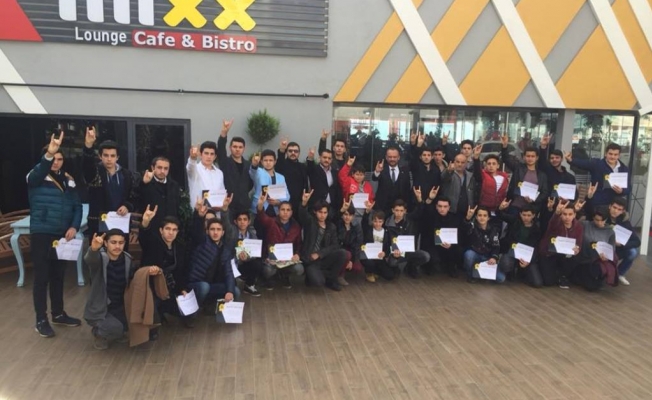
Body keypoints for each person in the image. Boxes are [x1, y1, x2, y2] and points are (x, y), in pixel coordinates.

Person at [28, 131, 83, 338]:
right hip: (42, 232)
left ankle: (58, 313)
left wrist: (74, 227)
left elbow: (77, 206)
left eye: (59, 159)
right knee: (41, 278)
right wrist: (49, 154)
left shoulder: (69, 180)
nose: (56, 162)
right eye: (52, 158)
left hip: (62, 235)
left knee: (58, 276)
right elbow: (39, 171)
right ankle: (41, 319)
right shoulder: (35, 176)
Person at [84, 230, 146, 350]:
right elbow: (90, 260)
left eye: (121, 243)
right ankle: (98, 333)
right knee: (116, 328)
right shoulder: (100, 258)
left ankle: (118, 329)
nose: (117, 246)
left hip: (120, 305)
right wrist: (94, 249)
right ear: (106, 243)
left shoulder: (127, 259)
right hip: (101, 307)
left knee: (134, 322)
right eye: (113, 242)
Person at [138, 204, 193, 328]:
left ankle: (166, 312)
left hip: (172, 287)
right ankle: (155, 321)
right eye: (168, 229)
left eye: (174, 230)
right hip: (153, 287)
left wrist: (182, 288)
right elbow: (144, 237)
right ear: (161, 230)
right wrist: (145, 222)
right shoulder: (153, 243)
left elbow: (181, 271)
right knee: (154, 309)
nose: (171, 232)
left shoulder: (179, 247)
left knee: (189, 312)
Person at [82, 127, 137, 240]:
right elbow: (87, 166)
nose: (109, 159)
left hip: (120, 223)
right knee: (98, 251)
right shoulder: (95, 172)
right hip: (98, 225)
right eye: (106, 155)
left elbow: (134, 195)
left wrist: (127, 206)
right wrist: (88, 146)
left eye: (112, 156)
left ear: (117, 157)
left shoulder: (126, 174)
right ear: (100, 156)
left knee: (120, 250)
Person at [298, 191, 348, 291]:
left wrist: (320, 254)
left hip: (323, 258)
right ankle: (311, 275)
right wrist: (304, 203)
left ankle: (331, 279)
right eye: (320, 212)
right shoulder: (310, 223)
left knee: (342, 253)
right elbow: (303, 214)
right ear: (315, 212)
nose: (322, 215)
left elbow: (335, 245)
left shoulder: (331, 226)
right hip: (310, 260)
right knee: (319, 282)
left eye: (325, 213)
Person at [186, 218, 239, 310]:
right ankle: (193, 311)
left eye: (218, 229)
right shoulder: (201, 242)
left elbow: (229, 273)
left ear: (223, 232)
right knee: (204, 287)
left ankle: (218, 310)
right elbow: (196, 230)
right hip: (195, 285)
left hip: (212, 285)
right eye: (212, 229)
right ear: (207, 231)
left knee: (235, 291)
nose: (215, 232)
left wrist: (230, 291)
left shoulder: (225, 250)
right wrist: (199, 216)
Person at [565, 143, 630, 218]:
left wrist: (622, 191)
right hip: (598, 204)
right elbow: (583, 164)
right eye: (610, 154)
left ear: (619, 155)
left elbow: (628, 188)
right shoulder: (597, 164)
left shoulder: (624, 169)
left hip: (614, 206)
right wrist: (570, 160)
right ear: (606, 154)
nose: (612, 156)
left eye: (615, 154)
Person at [255, 193, 304, 289]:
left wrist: (297, 254)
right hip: (271, 259)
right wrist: (260, 205)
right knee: (268, 271)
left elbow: (299, 244)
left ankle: (284, 275)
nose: (285, 212)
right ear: (278, 211)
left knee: (299, 269)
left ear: (291, 212)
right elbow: (261, 216)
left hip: (288, 260)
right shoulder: (271, 222)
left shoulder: (296, 226)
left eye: (288, 210)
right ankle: (269, 278)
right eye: (283, 209)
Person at [221, 201, 264, 297]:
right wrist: (224, 209)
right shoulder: (231, 231)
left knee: (258, 264)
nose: (242, 222)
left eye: (245, 219)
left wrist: (247, 257)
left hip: (246, 262)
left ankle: (249, 285)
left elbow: (256, 252)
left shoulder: (252, 233)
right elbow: (225, 221)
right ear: (235, 222)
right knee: (234, 290)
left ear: (249, 221)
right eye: (239, 219)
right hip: (232, 263)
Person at [537, 200, 583, 289]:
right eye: (564, 214)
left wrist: (577, 248)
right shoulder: (556, 223)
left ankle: (563, 276)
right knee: (548, 282)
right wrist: (557, 213)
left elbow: (579, 243)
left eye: (570, 214)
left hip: (564, 255)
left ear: (574, 215)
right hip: (549, 253)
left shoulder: (578, 226)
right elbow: (552, 223)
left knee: (575, 257)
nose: (567, 217)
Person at [384, 194, 431, 279]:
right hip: (395, 252)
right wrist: (392, 252)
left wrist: (419, 200)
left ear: (405, 211)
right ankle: (395, 268)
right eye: (397, 210)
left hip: (409, 251)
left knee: (425, 256)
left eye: (401, 211)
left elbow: (419, 211)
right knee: (392, 263)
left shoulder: (410, 219)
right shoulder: (387, 224)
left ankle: (411, 266)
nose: (399, 213)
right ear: (393, 210)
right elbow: (386, 242)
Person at [496, 202, 542, 287]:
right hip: (512, 252)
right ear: (520, 214)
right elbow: (500, 215)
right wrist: (500, 208)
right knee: (506, 264)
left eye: (529, 215)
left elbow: (536, 247)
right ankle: (510, 271)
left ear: (533, 215)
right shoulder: (515, 220)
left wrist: (529, 261)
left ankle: (523, 272)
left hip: (527, 256)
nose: (526, 218)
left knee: (537, 283)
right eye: (524, 215)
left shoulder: (537, 228)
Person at [572, 206, 618, 291]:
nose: (599, 223)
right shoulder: (585, 225)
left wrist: (606, 257)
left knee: (592, 286)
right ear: (593, 218)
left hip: (596, 261)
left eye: (602, 220)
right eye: (597, 220)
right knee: (585, 283)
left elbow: (612, 250)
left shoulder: (610, 232)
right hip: (582, 259)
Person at [538, 133, 577, 233]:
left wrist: (568, 200)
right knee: (546, 231)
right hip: (548, 208)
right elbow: (541, 161)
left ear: (561, 159)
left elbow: (575, 195)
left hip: (564, 210)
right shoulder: (547, 171)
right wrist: (543, 146)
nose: (554, 160)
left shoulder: (570, 177)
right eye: (552, 158)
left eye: (557, 158)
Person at [501, 134, 549, 214]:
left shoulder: (541, 175)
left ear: (537, 158)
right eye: (528, 156)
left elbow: (544, 193)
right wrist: (504, 146)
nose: (530, 158)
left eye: (532, 156)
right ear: (524, 157)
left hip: (532, 209)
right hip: (515, 206)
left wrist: (534, 200)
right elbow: (506, 159)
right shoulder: (518, 168)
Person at [217, 119, 253, 214]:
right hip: (229, 205)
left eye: (240, 147)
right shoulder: (225, 162)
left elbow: (251, 183)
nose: (237, 149)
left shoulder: (249, 165)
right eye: (235, 147)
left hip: (245, 206)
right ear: (230, 148)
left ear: (244, 149)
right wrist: (224, 132)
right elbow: (220, 148)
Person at [461, 206, 504, 283]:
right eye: (480, 215)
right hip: (475, 255)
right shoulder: (472, 226)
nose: (482, 218)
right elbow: (464, 228)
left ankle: (482, 273)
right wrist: (468, 218)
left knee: (501, 278)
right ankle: (471, 275)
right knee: (469, 255)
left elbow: (496, 246)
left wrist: (494, 257)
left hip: (487, 258)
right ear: (476, 217)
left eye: (485, 215)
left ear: (488, 218)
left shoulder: (494, 230)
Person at [603, 197, 640, 286]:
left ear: (623, 211)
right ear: (610, 206)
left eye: (619, 209)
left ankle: (620, 273)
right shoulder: (602, 215)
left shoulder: (625, 222)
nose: (616, 211)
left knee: (633, 252)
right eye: (614, 207)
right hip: (602, 246)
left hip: (617, 248)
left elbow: (637, 241)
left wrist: (622, 244)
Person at [423, 195, 462, 277]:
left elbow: (458, 235)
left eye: (445, 206)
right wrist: (437, 241)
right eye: (440, 206)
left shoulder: (454, 218)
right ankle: (429, 267)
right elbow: (426, 235)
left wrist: (451, 244)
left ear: (449, 207)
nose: (442, 209)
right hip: (433, 244)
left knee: (458, 250)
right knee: (433, 257)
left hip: (449, 245)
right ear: (436, 207)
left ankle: (451, 267)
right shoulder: (430, 217)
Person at [139, 156, 181, 231]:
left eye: (166, 168)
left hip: (169, 229)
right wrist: (144, 183)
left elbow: (176, 207)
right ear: (153, 168)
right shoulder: (146, 183)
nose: (162, 171)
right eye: (159, 167)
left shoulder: (174, 185)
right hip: (151, 228)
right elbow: (139, 199)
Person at [250, 149, 290, 219]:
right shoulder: (258, 172)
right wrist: (254, 164)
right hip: (260, 209)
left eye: (270, 160)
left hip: (276, 211)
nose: (268, 163)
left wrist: (278, 202)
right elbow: (253, 171)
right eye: (265, 160)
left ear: (275, 161)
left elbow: (286, 195)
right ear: (261, 161)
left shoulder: (281, 177)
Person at [186, 141, 225, 211]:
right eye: (206, 153)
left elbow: (221, 193)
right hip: (198, 212)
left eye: (212, 154)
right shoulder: (195, 169)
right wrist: (192, 158)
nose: (209, 156)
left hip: (216, 212)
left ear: (215, 156)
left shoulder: (219, 173)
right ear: (200, 154)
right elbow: (190, 167)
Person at [372, 146, 411, 214]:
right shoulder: (381, 168)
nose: (392, 159)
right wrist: (377, 171)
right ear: (386, 157)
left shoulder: (405, 170)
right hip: (383, 208)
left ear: (398, 157)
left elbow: (407, 189)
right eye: (390, 157)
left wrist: (406, 206)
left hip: (399, 209)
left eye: (394, 157)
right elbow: (374, 178)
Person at [360, 206, 394, 282]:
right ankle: (369, 273)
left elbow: (388, 247)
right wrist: (367, 212)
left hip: (379, 257)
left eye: (380, 221)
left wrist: (385, 253)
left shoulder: (386, 232)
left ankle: (375, 271)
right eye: (375, 221)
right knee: (369, 263)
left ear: (383, 222)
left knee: (390, 275)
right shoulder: (368, 230)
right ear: (372, 221)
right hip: (369, 257)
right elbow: (364, 222)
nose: (377, 224)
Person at [472, 145, 508, 214]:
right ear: (485, 165)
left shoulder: (504, 177)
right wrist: (476, 158)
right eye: (489, 164)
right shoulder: (482, 175)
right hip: (484, 209)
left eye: (494, 164)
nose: (491, 165)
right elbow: (477, 171)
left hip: (500, 209)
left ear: (498, 166)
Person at [276, 138, 309, 214]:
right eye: (290, 151)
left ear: (299, 153)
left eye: (296, 151)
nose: (293, 153)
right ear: (286, 152)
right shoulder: (282, 165)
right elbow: (280, 162)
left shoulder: (302, 166)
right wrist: (282, 150)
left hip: (299, 203)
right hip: (284, 203)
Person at [338, 155, 374, 224]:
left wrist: (370, 204)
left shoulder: (368, 186)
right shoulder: (349, 181)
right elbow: (341, 176)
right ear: (352, 174)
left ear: (364, 175)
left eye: (361, 175)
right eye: (357, 174)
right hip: (351, 215)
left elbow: (371, 199)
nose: (359, 177)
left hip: (364, 215)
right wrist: (348, 165)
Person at [335, 201, 364, 286]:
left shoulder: (357, 227)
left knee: (357, 268)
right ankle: (339, 275)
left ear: (353, 216)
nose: (347, 217)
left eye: (350, 215)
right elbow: (336, 243)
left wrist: (351, 260)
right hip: (339, 250)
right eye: (345, 214)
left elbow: (357, 244)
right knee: (345, 256)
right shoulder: (337, 225)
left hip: (351, 251)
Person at [306, 148, 342, 215]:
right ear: (320, 157)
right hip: (317, 207)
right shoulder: (314, 170)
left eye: (329, 158)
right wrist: (310, 158)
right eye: (324, 157)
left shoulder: (335, 172)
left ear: (331, 160)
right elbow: (309, 166)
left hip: (331, 207)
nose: (327, 160)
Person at [410, 132, 441, 209]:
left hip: (431, 202)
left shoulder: (436, 170)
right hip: (416, 201)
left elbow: (438, 186)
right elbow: (413, 159)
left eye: (428, 155)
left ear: (432, 157)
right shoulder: (416, 167)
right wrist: (418, 145)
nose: (426, 157)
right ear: (420, 157)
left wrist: (431, 199)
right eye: (424, 155)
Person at [440, 153, 476, 220]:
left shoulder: (470, 176)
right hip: (451, 211)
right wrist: (448, 171)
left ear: (466, 163)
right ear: (454, 162)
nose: (460, 164)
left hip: (466, 212)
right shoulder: (450, 173)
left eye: (462, 162)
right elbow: (443, 178)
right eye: (458, 162)